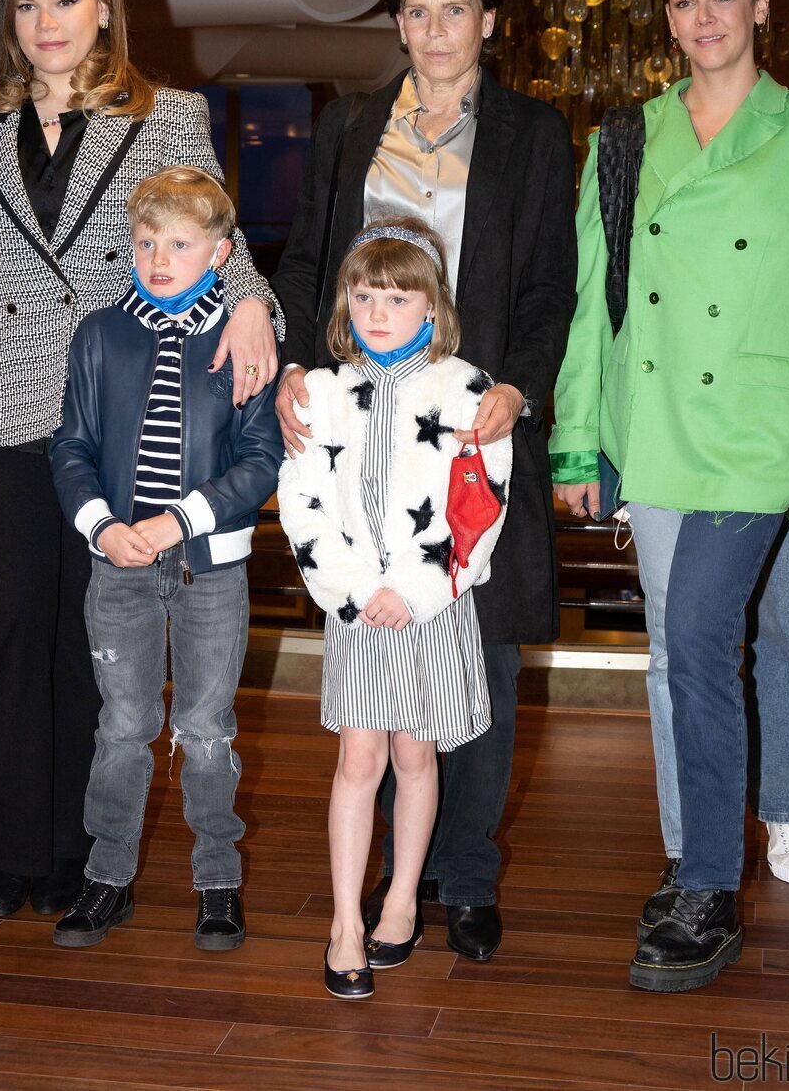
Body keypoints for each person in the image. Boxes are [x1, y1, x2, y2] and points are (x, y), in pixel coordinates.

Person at [0, 0, 282, 921]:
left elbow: (221, 237)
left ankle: (83, 852)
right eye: (26, 6)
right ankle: (13, 846)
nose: (45, 24)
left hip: (117, 402)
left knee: (98, 637)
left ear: (103, 8)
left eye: (65, 1)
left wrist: (249, 297)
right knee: (23, 620)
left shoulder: (163, 117)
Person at [553, 0, 789, 992]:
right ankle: (694, 860)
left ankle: (704, 883)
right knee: (676, 652)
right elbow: (591, 306)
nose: (701, 19)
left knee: (694, 641)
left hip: (755, 434)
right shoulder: (625, 137)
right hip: (651, 433)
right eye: (683, 2)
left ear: (759, 6)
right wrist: (574, 436)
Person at [274, 0, 576, 961]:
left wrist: (514, 389)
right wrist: (288, 370)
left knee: (478, 660)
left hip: (468, 430)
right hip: (360, 441)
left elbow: (546, 285)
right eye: (413, 10)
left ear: (488, 21)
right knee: (376, 672)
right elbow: (309, 261)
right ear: (396, 24)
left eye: (452, 8)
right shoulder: (349, 124)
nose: (432, 29)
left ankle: (464, 877)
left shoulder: (533, 134)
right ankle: (384, 886)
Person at [48, 166, 281, 948]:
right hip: (117, 564)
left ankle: (218, 881)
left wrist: (182, 520)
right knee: (121, 726)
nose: (158, 258)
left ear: (218, 254)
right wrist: (101, 525)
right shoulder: (100, 334)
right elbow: (72, 446)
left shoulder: (242, 337)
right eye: (146, 241)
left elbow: (261, 459)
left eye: (179, 244)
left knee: (208, 726)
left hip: (210, 566)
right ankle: (106, 879)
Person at [278, 218, 511, 997]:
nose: (379, 311)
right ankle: (346, 920)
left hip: (430, 609)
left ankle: (403, 900)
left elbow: (479, 510)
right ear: (347, 301)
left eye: (398, 296)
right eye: (365, 294)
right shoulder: (319, 390)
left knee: (416, 755)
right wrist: (353, 590)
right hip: (355, 611)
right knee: (358, 759)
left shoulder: (466, 389)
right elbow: (302, 504)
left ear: (431, 306)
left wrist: (411, 594)